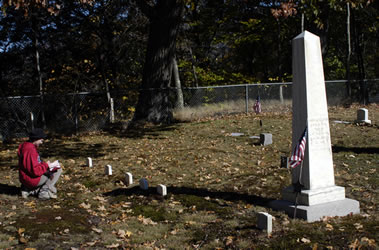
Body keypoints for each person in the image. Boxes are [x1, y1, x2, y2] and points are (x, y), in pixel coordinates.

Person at [18, 128, 62, 200]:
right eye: (41, 140)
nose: (41, 142)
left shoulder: (26, 146)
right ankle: (43, 192)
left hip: (25, 178)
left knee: (51, 169)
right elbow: (34, 171)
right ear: (36, 139)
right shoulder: (30, 150)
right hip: (31, 179)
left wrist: (45, 165)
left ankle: (27, 189)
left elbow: (31, 165)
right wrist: (47, 166)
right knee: (57, 170)